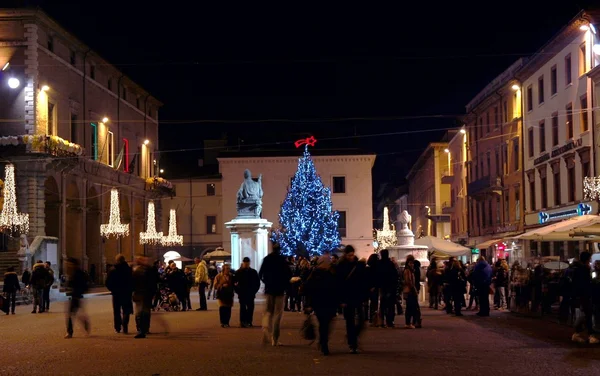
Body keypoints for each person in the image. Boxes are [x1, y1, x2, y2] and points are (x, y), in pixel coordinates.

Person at [259, 242, 292, 346]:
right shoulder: (282, 260)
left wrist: (266, 282)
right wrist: (285, 285)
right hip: (279, 290)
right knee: (278, 314)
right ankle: (275, 339)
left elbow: (260, 273)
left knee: (268, 312)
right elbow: (288, 274)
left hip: (269, 289)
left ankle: (265, 330)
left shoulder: (267, 259)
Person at [304, 254, 338, 356]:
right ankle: (324, 344)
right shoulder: (320, 274)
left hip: (323, 303)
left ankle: (323, 342)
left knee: (324, 324)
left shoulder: (324, 274)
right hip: (323, 303)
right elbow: (309, 290)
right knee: (325, 324)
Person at [337, 245, 366, 354]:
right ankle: (352, 344)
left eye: (352, 255)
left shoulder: (358, 264)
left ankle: (353, 336)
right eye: (349, 255)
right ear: (345, 255)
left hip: (357, 295)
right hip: (347, 297)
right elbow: (339, 284)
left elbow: (363, 280)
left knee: (362, 319)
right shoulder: (341, 266)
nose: (351, 257)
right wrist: (341, 300)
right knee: (350, 321)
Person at [571, 251, 597, 343]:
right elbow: (585, 283)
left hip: (580, 295)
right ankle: (590, 335)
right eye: (589, 258)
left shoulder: (577, 268)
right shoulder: (583, 269)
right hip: (584, 295)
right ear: (587, 259)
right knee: (587, 314)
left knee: (585, 315)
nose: (590, 260)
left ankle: (578, 333)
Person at [106, 254, 133, 334]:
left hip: (116, 293)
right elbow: (132, 281)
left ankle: (117, 327)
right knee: (126, 310)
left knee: (117, 311)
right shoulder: (128, 269)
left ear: (117, 260)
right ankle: (125, 325)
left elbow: (108, 282)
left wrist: (112, 289)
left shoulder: (113, 269)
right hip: (126, 293)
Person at [64, 258, 90, 339]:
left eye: (69, 264)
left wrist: (76, 290)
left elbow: (83, 285)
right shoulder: (73, 273)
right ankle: (84, 323)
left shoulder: (79, 273)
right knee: (74, 314)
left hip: (77, 296)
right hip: (75, 296)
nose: (67, 265)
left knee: (71, 314)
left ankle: (70, 332)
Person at [132, 256, 157, 339]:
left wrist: (153, 293)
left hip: (145, 293)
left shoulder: (147, 270)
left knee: (143, 312)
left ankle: (143, 329)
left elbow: (153, 282)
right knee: (140, 312)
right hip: (140, 293)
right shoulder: (135, 270)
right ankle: (142, 329)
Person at [234, 257, 261, 327]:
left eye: (247, 263)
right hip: (242, 293)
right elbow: (234, 283)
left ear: (249, 263)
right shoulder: (238, 272)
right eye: (245, 263)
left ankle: (249, 321)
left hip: (250, 293)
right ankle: (243, 321)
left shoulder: (253, 272)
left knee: (250, 308)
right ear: (243, 263)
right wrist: (238, 291)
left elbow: (257, 283)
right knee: (243, 308)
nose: (246, 264)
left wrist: (254, 291)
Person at [378, 250, 399, 328]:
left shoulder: (379, 264)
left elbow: (378, 276)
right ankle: (390, 321)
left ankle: (381, 321)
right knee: (390, 305)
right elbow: (395, 276)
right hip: (390, 287)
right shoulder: (390, 264)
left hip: (382, 287)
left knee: (382, 305)